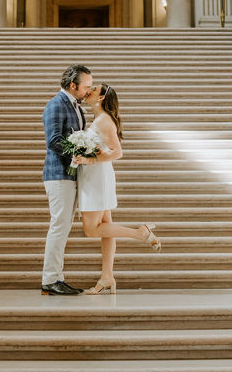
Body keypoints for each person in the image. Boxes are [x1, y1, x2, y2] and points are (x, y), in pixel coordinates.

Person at [72, 84, 161, 295]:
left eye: (93, 89)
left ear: (101, 97)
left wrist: (88, 159)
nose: (88, 91)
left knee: (92, 229)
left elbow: (117, 152)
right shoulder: (99, 120)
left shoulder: (103, 120)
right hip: (96, 176)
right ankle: (107, 276)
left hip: (97, 177)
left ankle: (140, 233)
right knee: (106, 227)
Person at [40, 64, 93, 295]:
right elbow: (53, 140)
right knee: (59, 226)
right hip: (58, 173)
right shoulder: (56, 104)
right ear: (73, 85)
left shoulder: (74, 106)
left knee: (63, 227)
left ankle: (57, 277)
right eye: (86, 87)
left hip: (69, 174)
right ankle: (50, 279)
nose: (88, 91)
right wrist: (79, 151)